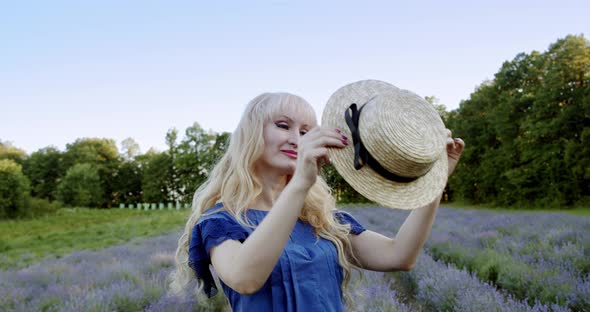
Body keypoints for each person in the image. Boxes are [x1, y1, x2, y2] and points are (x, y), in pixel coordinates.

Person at [168, 89, 465, 311]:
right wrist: (300, 184)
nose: (297, 139)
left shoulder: (322, 220)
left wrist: (436, 180)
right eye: (283, 126)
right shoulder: (221, 222)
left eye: (306, 132)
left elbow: (399, 256)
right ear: (251, 135)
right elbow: (245, 279)